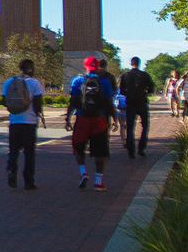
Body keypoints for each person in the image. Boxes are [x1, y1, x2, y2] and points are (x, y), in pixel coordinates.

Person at [65, 56, 118, 191]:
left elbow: (73, 101)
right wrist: (114, 119)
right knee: (100, 151)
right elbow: (108, 103)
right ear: (98, 66)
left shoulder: (77, 80)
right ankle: (98, 182)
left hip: (82, 119)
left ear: (85, 66)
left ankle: (83, 172)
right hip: (98, 119)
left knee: (78, 147)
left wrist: (68, 118)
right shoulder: (104, 82)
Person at [2, 58, 45, 190]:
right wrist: (38, 114)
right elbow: (38, 103)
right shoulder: (35, 83)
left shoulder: (10, 81)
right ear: (31, 69)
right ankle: (29, 181)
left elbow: (4, 101)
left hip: (14, 121)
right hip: (29, 122)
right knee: (29, 153)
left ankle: (11, 170)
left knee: (13, 150)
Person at [118, 57, 155, 158]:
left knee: (130, 127)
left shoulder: (125, 76)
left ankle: (131, 150)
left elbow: (121, 91)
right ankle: (141, 147)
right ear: (139, 63)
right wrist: (144, 92)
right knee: (145, 125)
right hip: (141, 102)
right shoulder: (144, 75)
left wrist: (129, 93)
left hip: (130, 103)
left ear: (131, 64)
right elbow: (151, 88)